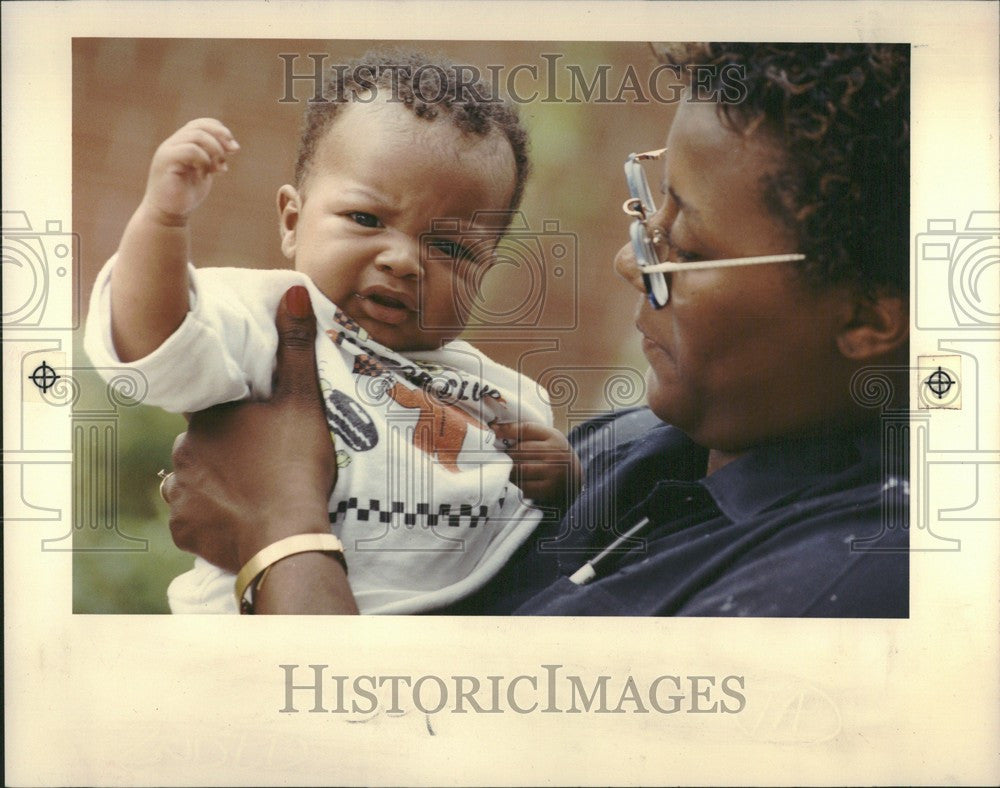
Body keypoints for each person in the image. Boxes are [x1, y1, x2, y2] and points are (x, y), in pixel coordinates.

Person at [161, 42, 910, 616]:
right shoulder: (630, 449)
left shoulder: (847, 587)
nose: (631, 257)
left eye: (686, 249)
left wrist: (279, 529)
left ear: (867, 319)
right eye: (653, 210)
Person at [84, 51, 580, 614]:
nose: (402, 260)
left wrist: (560, 477)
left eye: (449, 248)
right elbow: (155, 342)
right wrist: (163, 221)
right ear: (292, 221)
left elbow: (527, 510)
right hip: (265, 614)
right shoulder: (273, 317)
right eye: (367, 219)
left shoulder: (483, 386)